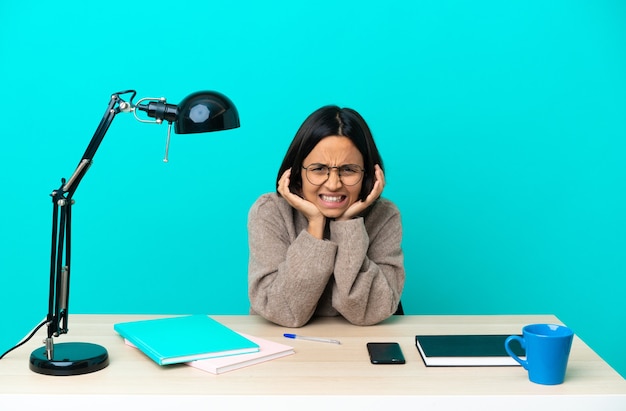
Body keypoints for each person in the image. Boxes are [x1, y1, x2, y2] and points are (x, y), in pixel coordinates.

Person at [247, 105, 405, 327]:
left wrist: (347, 225)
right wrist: (315, 226)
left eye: (348, 169)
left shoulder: (384, 215)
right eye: (318, 168)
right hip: (284, 347)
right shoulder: (270, 211)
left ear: (368, 174)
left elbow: (371, 312)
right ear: (297, 172)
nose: (333, 184)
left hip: (359, 347)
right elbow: (282, 312)